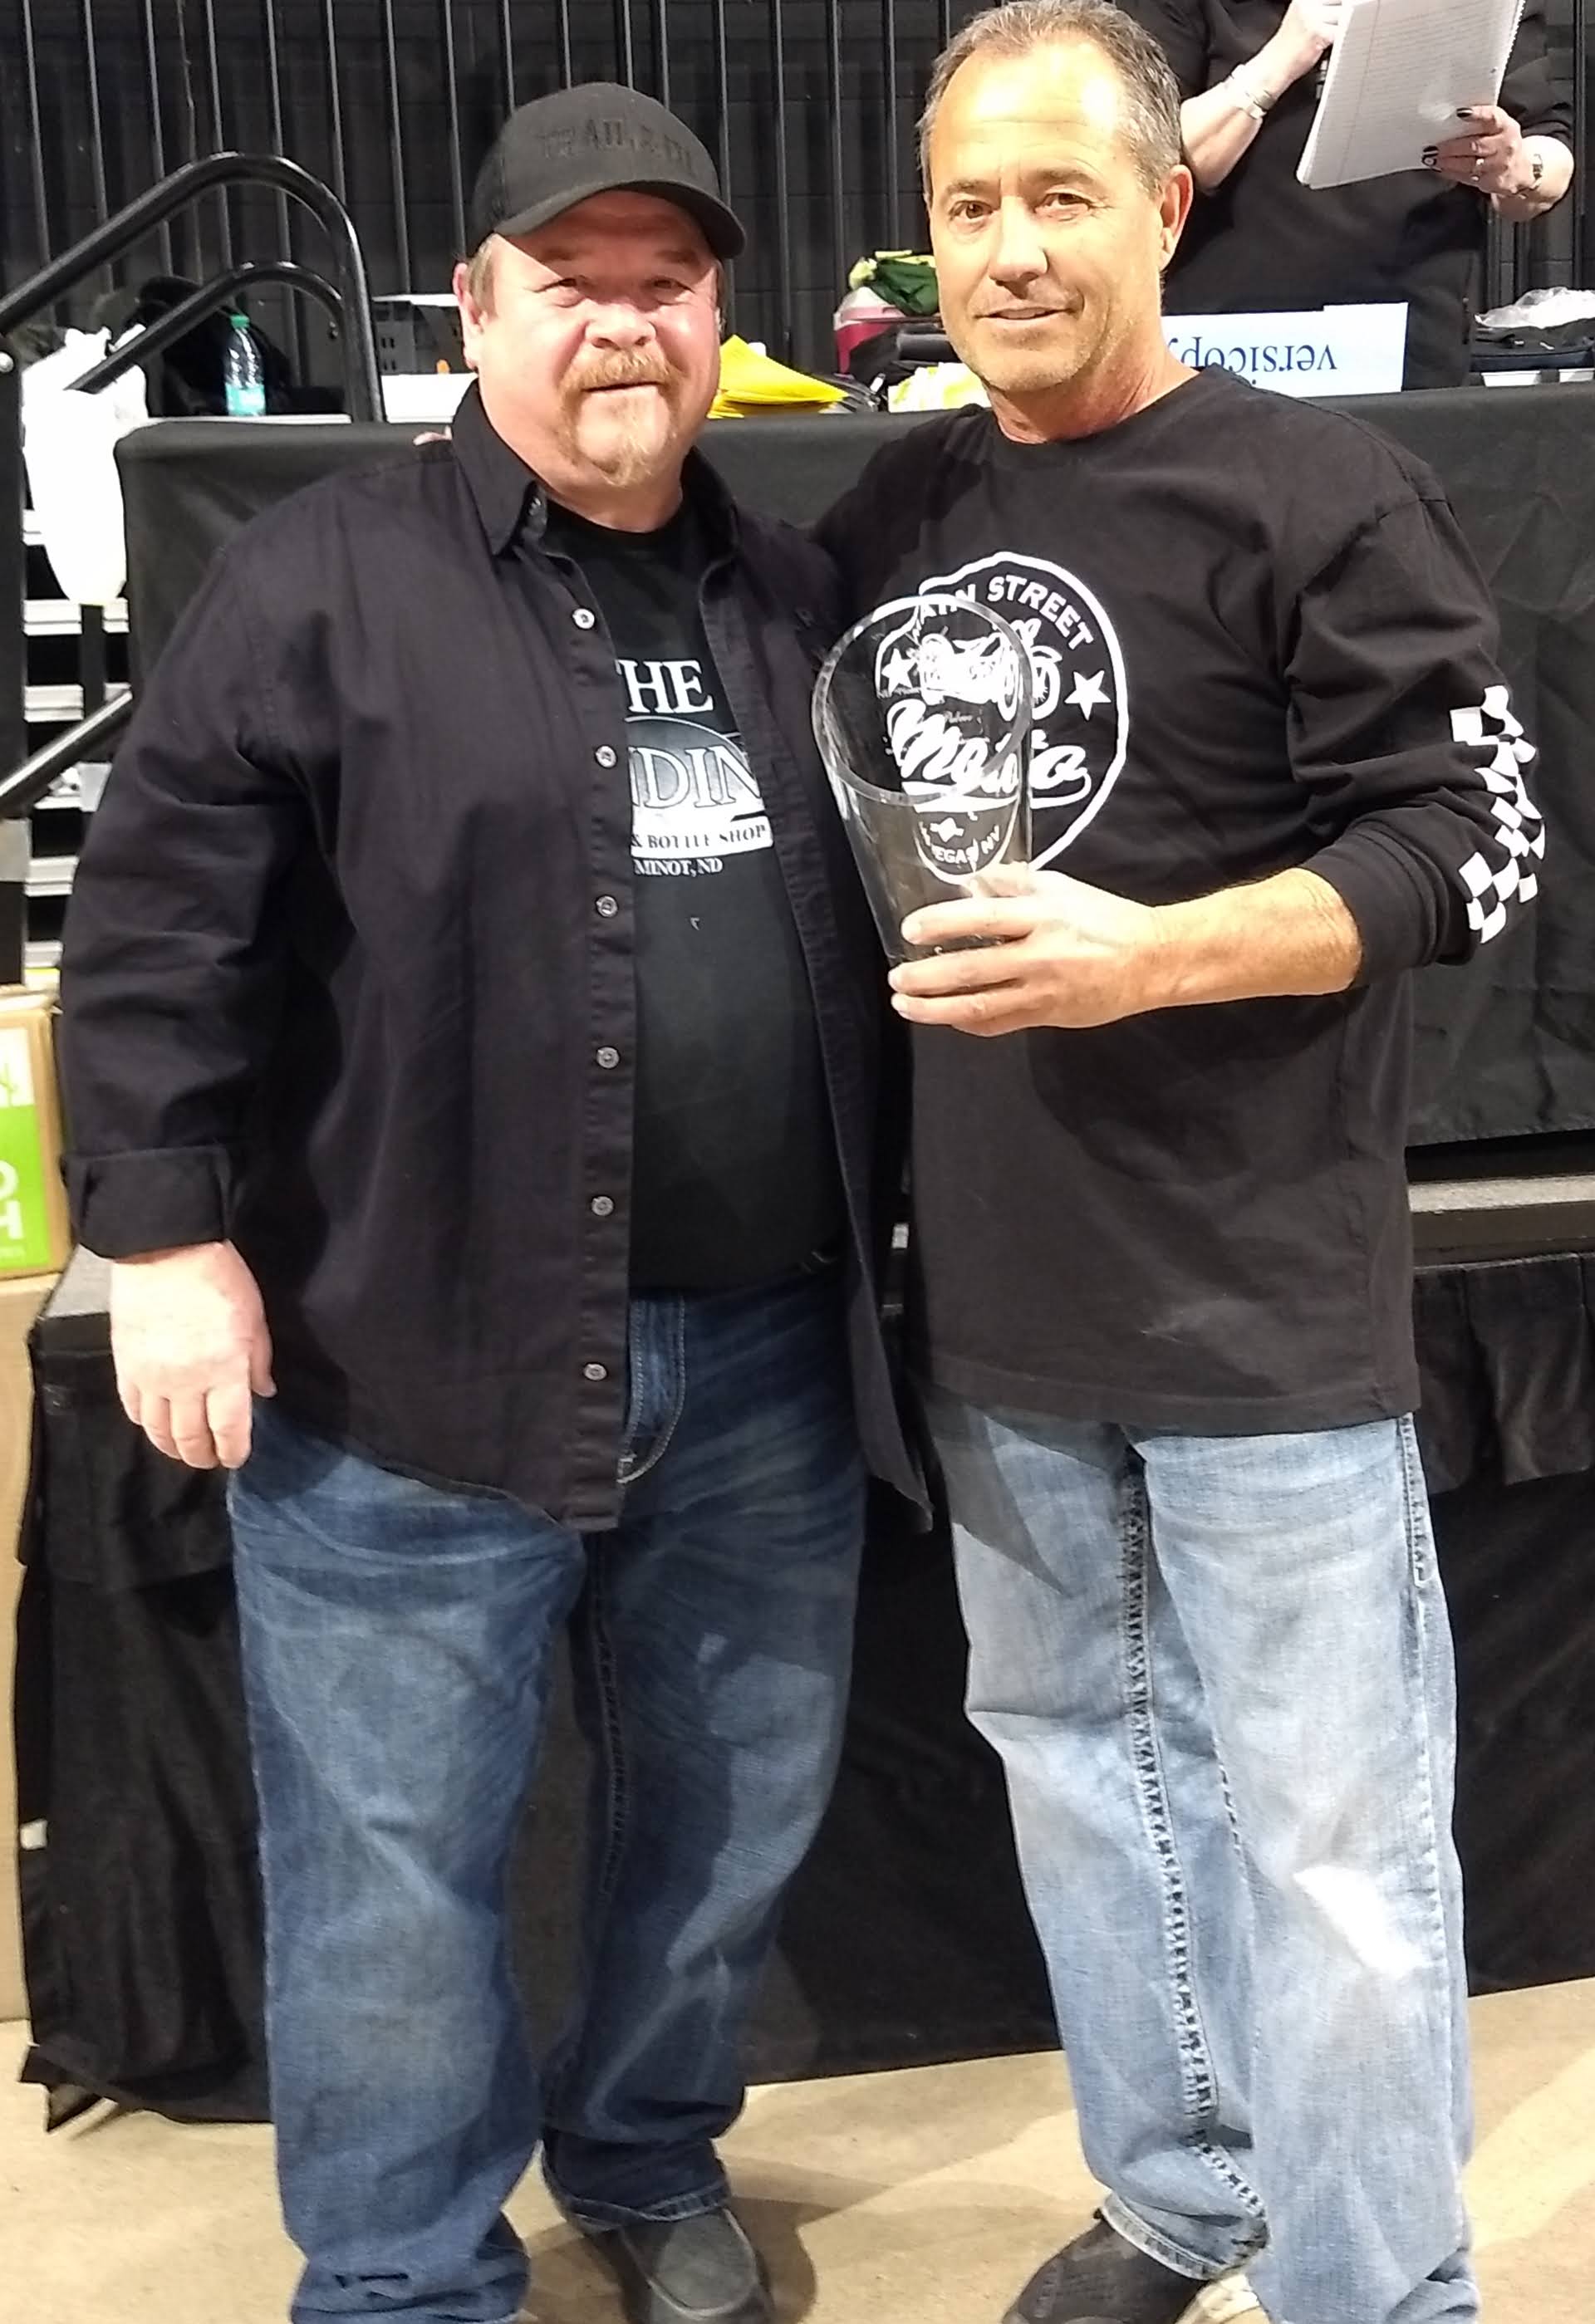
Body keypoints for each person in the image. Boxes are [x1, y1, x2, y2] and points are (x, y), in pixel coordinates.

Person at [58, 81, 920, 2324]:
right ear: (475, 307)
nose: (622, 324)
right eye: (571, 282)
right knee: (390, 1866)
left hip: (765, 1357)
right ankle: (402, 2271)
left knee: (725, 1819)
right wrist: (163, 1237)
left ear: (720, 316)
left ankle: (643, 2149)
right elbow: (154, 935)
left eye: (668, 283)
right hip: (407, 1349)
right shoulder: (317, 584)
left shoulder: (796, 589)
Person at [816, 5, 1542, 2322]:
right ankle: (1183, 2187)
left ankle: (1377, 2283)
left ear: (1162, 202)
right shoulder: (892, 515)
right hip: (1001, 1306)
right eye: (968, 207)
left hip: (1261, 1303)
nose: (1012, 249)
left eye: (1059, 195)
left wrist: (1156, 956)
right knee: (1079, 1770)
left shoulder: (1317, 489)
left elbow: (1476, 841)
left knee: (1328, 1848)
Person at [1120, 0, 1574, 387]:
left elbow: (1549, 149)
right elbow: (1146, 158)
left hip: (1408, 341)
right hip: (1228, 342)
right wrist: (1279, 60)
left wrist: (1517, 167)